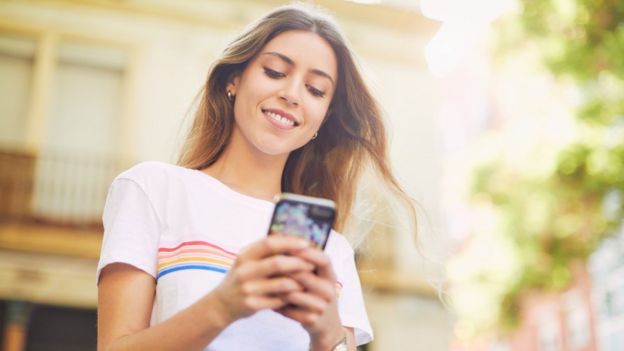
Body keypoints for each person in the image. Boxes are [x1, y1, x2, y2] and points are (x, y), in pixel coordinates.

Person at [97, 4, 414, 351]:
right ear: (234, 79)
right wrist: (223, 305)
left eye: (315, 90)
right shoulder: (153, 189)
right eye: (275, 71)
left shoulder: (332, 251)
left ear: (323, 119)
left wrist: (326, 335)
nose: (292, 94)